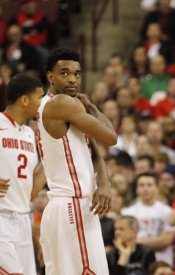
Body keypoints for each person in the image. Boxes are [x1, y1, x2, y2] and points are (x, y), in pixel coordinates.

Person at [37, 48, 117, 274]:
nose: (72, 79)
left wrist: (104, 183)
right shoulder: (62, 103)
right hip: (71, 206)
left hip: (67, 208)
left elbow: (94, 151)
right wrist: (91, 107)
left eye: (77, 73)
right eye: (64, 73)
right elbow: (110, 138)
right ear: (50, 76)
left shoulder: (64, 105)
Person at [0, 74, 45, 275]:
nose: (42, 102)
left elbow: (31, 190)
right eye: (39, 97)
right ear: (24, 100)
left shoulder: (29, 134)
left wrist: (53, 159)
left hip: (23, 218)